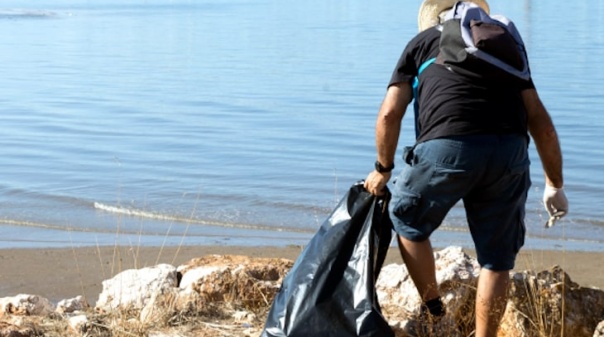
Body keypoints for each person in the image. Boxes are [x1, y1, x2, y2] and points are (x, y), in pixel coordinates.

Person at [363, 1, 569, 336]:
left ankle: (435, 311)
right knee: (497, 260)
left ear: (434, 18)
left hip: (447, 146)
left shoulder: (422, 42)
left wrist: (383, 169)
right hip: (509, 153)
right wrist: (554, 184)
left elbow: (389, 114)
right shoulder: (508, 47)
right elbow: (542, 125)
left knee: (406, 219)